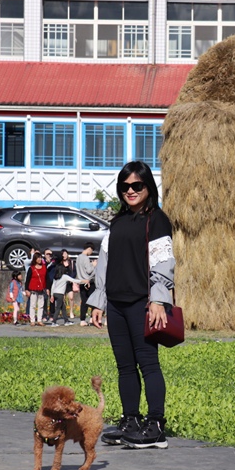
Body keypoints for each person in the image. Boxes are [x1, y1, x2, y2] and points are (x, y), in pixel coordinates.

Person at [90, 160, 174, 449]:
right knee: (125, 366)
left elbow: (164, 263)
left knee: (148, 364)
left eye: (137, 185)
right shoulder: (117, 222)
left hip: (142, 304)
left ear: (148, 187)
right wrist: (99, 302)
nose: (131, 190)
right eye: (125, 186)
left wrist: (159, 300)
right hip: (115, 303)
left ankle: (156, 426)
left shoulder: (157, 220)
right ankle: (131, 421)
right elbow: (104, 265)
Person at [24, 252, 48, 326]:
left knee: (41, 305)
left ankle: (39, 320)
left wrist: (47, 288)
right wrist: (27, 289)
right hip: (33, 289)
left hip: (41, 289)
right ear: (35, 259)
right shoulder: (31, 268)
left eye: (40, 257)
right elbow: (27, 280)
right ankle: (32, 320)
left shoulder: (44, 267)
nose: (40, 259)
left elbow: (46, 279)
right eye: (38, 258)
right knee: (33, 305)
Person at [76, 242, 96, 327]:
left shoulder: (78, 258)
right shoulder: (86, 258)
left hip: (81, 282)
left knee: (84, 301)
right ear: (89, 249)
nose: (91, 253)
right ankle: (92, 318)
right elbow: (89, 270)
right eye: (91, 251)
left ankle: (82, 320)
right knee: (92, 301)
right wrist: (93, 264)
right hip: (88, 282)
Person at [59, 249, 77, 319]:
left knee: (71, 297)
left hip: (69, 283)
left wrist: (71, 279)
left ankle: (71, 311)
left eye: (65, 253)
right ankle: (63, 312)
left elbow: (74, 272)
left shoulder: (71, 262)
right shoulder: (60, 263)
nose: (64, 255)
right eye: (63, 254)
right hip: (62, 283)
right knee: (62, 298)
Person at [43, 250, 58, 323]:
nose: (49, 255)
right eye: (47, 254)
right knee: (44, 299)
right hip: (45, 283)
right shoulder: (43, 263)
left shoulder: (54, 263)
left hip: (53, 283)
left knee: (52, 299)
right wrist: (48, 263)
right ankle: (44, 315)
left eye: (50, 254)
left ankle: (52, 314)